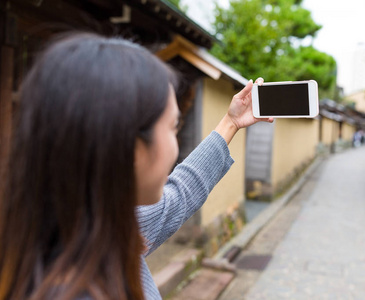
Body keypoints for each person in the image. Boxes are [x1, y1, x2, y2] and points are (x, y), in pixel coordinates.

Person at [0, 33, 273, 300]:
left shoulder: (86, 229)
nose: (175, 143)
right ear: (127, 146)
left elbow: (178, 196)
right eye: (172, 126)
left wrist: (231, 122)